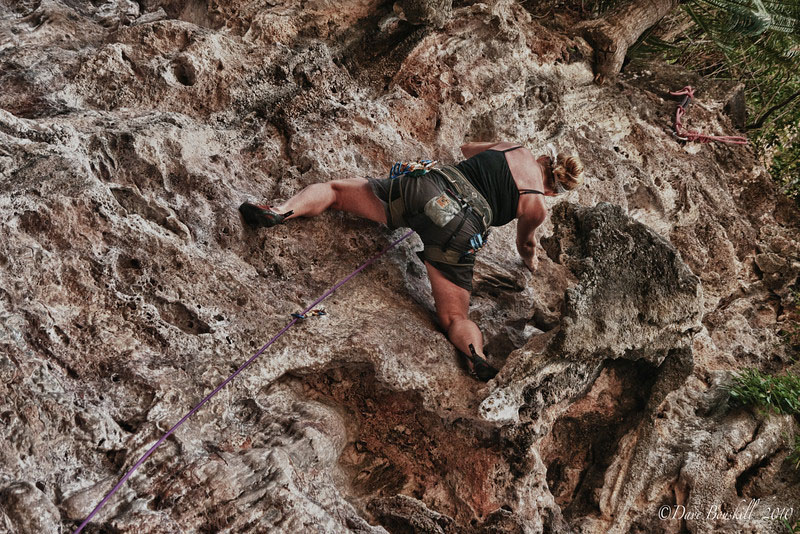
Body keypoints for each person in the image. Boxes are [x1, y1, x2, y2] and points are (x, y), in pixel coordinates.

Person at [239, 142, 584, 381]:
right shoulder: (536, 204)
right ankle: (475, 356)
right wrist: (533, 258)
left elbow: (466, 150)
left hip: (428, 188)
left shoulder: (515, 149)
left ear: (543, 158)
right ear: (555, 191)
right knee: (454, 316)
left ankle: (280, 211)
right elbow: (525, 246)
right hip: (460, 230)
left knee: (335, 192)